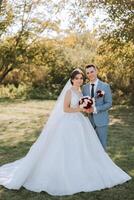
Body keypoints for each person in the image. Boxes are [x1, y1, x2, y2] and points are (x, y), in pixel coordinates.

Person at [0, 69, 131, 196]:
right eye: (77, 78)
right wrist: (79, 109)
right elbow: (66, 109)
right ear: (72, 79)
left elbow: (84, 105)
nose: (79, 80)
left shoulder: (80, 91)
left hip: (80, 121)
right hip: (69, 122)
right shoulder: (69, 92)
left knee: (84, 147)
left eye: (81, 78)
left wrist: (86, 108)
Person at [82, 65, 112, 150]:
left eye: (92, 71)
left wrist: (95, 109)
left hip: (101, 121)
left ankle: (103, 163)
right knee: (90, 146)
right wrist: (85, 109)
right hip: (88, 121)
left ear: (96, 71)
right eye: (88, 73)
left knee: (102, 146)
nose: (90, 74)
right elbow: (83, 102)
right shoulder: (84, 88)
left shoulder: (105, 86)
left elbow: (109, 103)